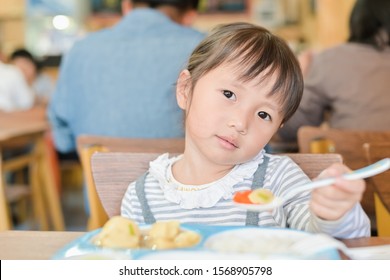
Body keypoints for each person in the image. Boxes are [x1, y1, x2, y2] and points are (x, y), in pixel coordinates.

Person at [121, 22, 370, 239]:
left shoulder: (279, 179)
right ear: (186, 89)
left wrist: (333, 213)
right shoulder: (142, 195)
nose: (241, 123)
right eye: (229, 94)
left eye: (264, 114)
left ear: (276, 128)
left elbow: (324, 237)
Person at [48, 0, 205, 155]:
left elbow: (62, 140)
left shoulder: (79, 50)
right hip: (184, 179)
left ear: (126, 5)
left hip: (99, 179)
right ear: (189, 16)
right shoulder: (205, 48)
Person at [278, 0, 390, 142]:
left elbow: (290, 129)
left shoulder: (331, 59)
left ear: (358, 20)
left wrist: (299, 77)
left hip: (350, 163)